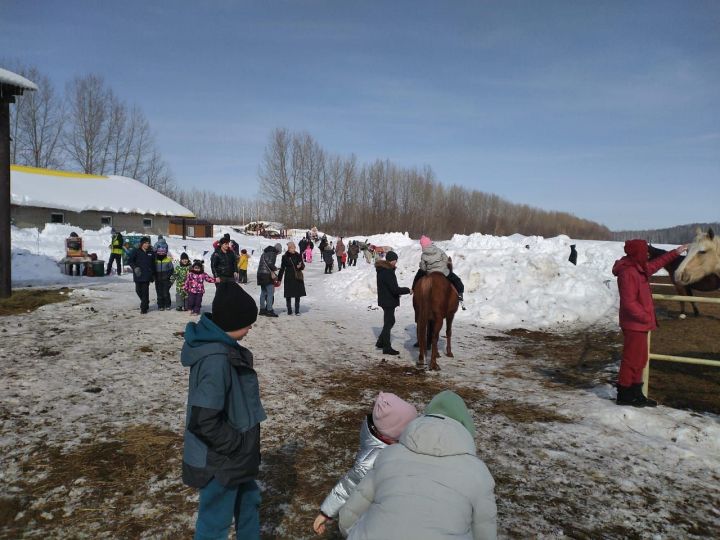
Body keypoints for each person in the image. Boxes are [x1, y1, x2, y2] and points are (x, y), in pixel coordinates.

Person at [339, 390, 497, 540]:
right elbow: (485, 529)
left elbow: (352, 511)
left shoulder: (390, 455)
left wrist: (352, 532)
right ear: (466, 429)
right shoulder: (477, 472)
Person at [181, 281, 265, 540]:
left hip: (236, 457)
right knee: (215, 519)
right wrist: (236, 444)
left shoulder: (227, 350)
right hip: (219, 460)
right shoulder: (216, 361)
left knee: (249, 502)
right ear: (232, 322)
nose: (251, 327)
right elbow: (203, 419)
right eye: (248, 322)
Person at [313, 393, 418, 536]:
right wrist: (326, 512)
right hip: (374, 516)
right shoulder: (372, 459)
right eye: (409, 428)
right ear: (393, 433)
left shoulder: (389, 440)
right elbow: (348, 485)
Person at [612, 239, 687, 407]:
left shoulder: (639, 267)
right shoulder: (628, 272)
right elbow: (629, 302)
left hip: (640, 324)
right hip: (634, 324)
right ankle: (624, 394)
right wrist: (646, 316)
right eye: (645, 251)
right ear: (637, 253)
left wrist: (675, 252)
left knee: (640, 359)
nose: (647, 254)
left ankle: (636, 393)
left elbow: (656, 264)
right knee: (631, 359)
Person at [375, 251, 411, 356]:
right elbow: (395, 289)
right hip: (388, 300)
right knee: (389, 322)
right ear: (392, 260)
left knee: (389, 321)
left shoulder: (383, 270)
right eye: (396, 260)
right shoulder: (388, 271)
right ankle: (386, 347)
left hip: (385, 299)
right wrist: (408, 290)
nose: (396, 262)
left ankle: (380, 342)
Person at [413, 235, 466, 306]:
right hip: (443, 272)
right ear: (430, 243)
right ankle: (460, 294)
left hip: (431, 275)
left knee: (419, 275)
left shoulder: (423, 255)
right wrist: (442, 266)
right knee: (457, 280)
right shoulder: (439, 250)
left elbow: (423, 268)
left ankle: (414, 289)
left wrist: (427, 269)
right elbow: (446, 260)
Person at [276, 241, 306, 316]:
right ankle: (289, 310)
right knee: (288, 294)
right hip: (289, 277)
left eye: (294, 247)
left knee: (297, 294)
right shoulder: (285, 257)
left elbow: (303, 265)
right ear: (289, 248)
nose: (294, 249)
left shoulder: (298, 255)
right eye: (292, 247)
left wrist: (301, 266)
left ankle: (297, 310)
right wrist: (279, 279)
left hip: (297, 277)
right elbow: (282, 268)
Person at [127, 236, 155, 314]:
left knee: (145, 292)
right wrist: (135, 268)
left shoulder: (151, 252)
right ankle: (145, 301)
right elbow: (130, 261)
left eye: (148, 243)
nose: (147, 244)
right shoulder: (136, 251)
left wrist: (153, 274)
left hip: (147, 275)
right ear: (142, 244)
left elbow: (153, 264)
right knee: (138, 290)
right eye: (145, 243)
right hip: (138, 275)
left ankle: (144, 308)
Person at [257, 243, 282, 317]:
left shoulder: (264, 253)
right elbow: (270, 264)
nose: (277, 254)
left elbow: (265, 264)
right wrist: (275, 268)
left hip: (260, 274)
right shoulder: (273, 253)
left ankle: (262, 309)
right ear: (278, 250)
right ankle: (269, 310)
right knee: (270, 293)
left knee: (263, 292)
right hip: (267, 275)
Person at [154, 244, 174, 311]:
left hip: (166, 279)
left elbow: (171, 269)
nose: (161, 254)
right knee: (159, 293)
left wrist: (168, 276)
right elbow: (153, 269)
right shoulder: (155, 260)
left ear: (165, 253)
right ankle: (160, 305)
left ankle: (167, 304)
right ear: (157, 253)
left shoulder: (168, 260)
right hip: (158, 279)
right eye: (160, 253)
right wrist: (154, 276)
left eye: (163, 253)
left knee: (166, 293)